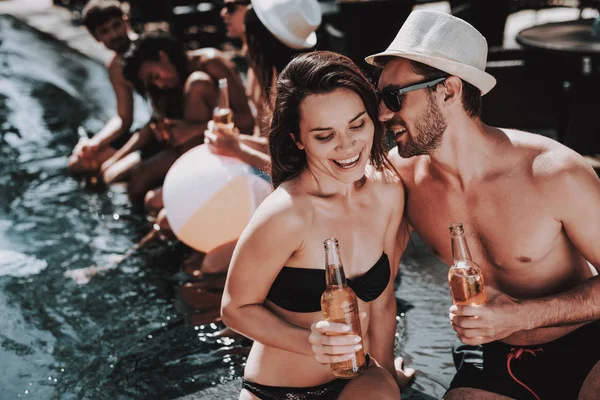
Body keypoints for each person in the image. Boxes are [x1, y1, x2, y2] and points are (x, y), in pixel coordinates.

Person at [366, 10, 599, 399]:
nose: (382, 113)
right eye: (379, 98)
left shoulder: (553, 173)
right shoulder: (402, 180)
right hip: (496, 354)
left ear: (449, 90)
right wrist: (384, 368)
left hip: (588, 342)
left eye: (393, 97)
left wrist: (521, 315)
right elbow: (380, 285)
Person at [221, 50, 415, 400]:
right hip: (275, 390)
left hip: (358, 379)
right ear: (298, 139)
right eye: (325, 136)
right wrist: (309, 342)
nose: (348, 145)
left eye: (358, 125)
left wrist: (386, 375)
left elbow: (384, 302)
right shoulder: (286, 213)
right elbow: (234, 308)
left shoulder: (388, 191)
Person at [102, 31, 254, 206]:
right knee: (127, 179)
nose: (159, 84)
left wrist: (191, 130)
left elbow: (246, 121)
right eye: (152, 82)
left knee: (197, 84)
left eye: (156, 76)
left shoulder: (209, 63)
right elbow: (156, 125)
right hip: (184, 148)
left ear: (163, 56)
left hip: (223, 145)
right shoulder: (164, 87)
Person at [68, 0, 137, 175]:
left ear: (126, 22)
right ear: (96, 37)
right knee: (79, 162)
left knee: (112, 172)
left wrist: (119, 156)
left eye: (116, 26)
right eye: (105, 31)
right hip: (149, 129)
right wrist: (94, 143)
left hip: (162, 129)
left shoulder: (145, 50)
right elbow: (123, 118)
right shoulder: (115, 66)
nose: (114, 34)